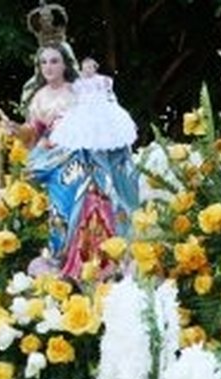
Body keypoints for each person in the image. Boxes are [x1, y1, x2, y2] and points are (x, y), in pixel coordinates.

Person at [20, 40, 138, 280]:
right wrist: (18, 131)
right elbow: (34, 132)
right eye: (43, 62)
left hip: (81, 159)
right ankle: (61, 256)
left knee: (94, 202)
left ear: (65, 64)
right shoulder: (38, 98)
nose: (48, 67)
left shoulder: (79, 90)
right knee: (60, 210)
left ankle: (98, 259)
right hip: (55, 162)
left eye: (54, 61)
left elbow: (100, 117)